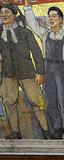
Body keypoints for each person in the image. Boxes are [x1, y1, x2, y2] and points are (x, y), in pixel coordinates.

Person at [24, 0, 64, 140]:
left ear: (61, 20)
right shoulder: (44, 34)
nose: (52, 19)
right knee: (49, 100)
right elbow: (32, 23)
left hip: (61, 69)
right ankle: (57, 127)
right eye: (50, 16)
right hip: (48, 69)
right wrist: (27, 7)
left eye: (54, 16)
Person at [0, 3, 51, 140]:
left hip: (27, 73)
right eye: (2, 13)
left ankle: (46, 131)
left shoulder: (25, 32)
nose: (4, 15)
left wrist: (40, 72)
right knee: (9, 103)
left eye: (7, 12)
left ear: (14, 15)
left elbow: (37, 53)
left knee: (38, 101)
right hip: (8, 75)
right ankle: (16, 133)